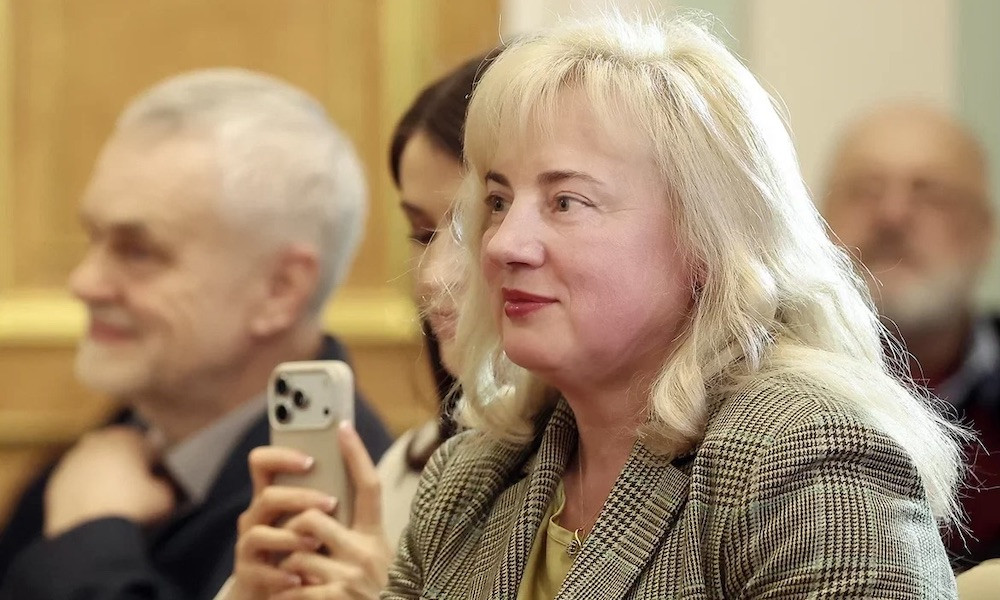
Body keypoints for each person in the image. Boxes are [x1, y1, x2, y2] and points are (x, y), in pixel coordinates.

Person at [378, 15, 964, 598]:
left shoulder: (805, 463)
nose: (503, 243)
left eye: (566, 202)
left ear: (707, 240)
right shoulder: (467, 481)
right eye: (498, 201)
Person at [0, 68, 393, 600]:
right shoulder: (112, 445)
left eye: (139, 251)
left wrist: (89, 538)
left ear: (279, 289)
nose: (85, 282)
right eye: (93, 238)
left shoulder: (338, 521)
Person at [215, 53, 496, 600]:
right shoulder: (411, 467)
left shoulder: (635, 488)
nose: (433, 277)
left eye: (479, 225)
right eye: (421, 234)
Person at [822, 103, 999, 569]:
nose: (892, 214)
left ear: (984, 232)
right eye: (865, 190)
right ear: (816, 222)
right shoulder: (742, 387)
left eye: (931, 194)